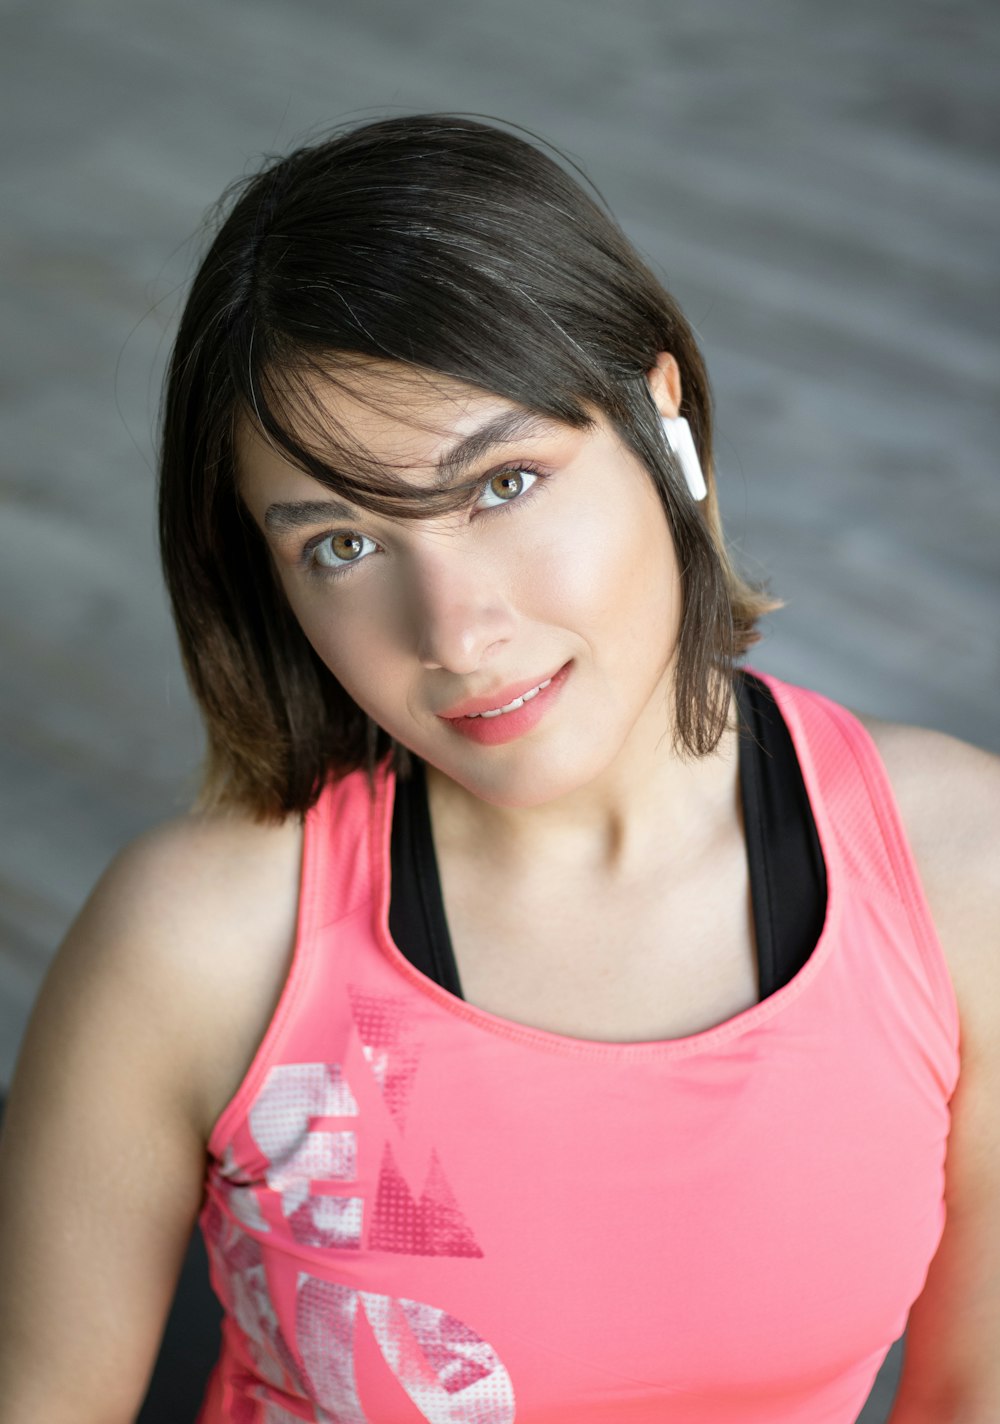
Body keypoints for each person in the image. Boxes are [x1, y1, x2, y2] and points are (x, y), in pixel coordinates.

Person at [0, 113, 997, 1424]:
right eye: (343, 547)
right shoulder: (195, 944)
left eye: (504, 483)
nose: (458, 632)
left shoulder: (960, 870)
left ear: (661, 415)